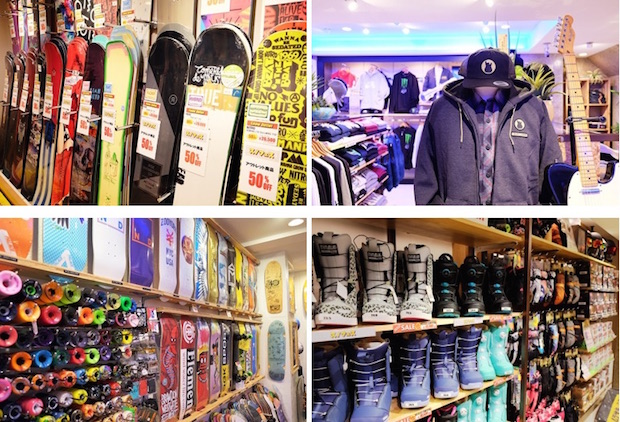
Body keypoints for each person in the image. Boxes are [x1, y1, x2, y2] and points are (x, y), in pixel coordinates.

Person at [414, 48, 561, 205]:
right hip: (458, 216)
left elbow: (550, 163)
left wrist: (545, 214)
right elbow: (425, 169)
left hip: (518, 217)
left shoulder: (533, 109)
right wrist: (436, 213)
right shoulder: (442, 109)